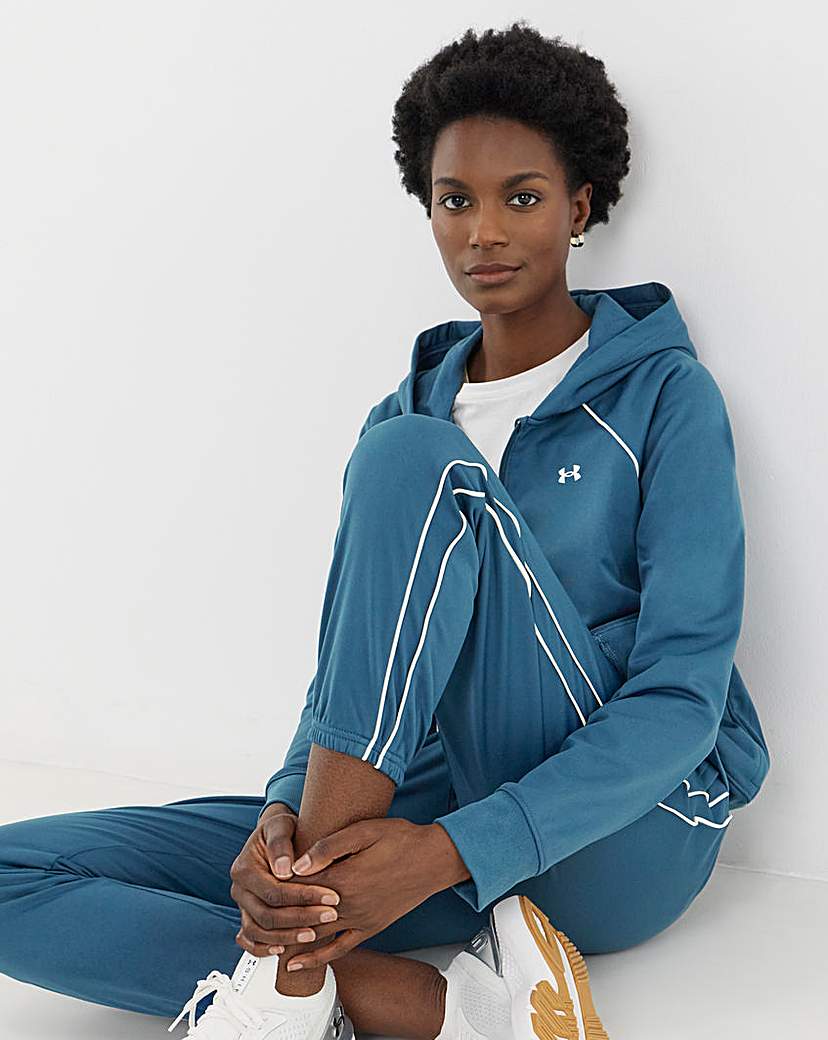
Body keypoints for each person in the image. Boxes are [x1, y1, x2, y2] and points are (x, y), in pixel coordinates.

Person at [0, 20, 771, 1040]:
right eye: (455, 200)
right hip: (426, 821)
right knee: (13, 872)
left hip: (625, 835)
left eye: (521, 198)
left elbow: (682, 698)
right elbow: (352, 673)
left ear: (580, 208)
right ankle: (442, 1009)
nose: (483, 231)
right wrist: (284, 815)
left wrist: (450, 849)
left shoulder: (665, 396)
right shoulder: (402, 413)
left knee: (413, 459)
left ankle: (286, 986)